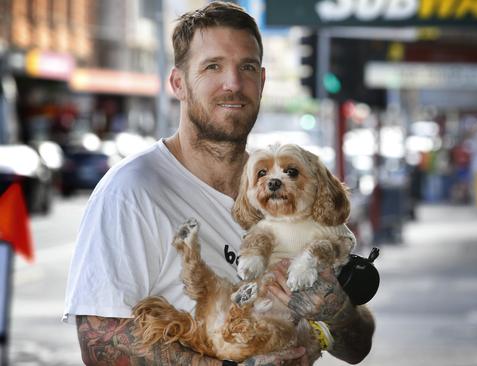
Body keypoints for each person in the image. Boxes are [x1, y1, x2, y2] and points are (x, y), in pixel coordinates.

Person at [62, 2, 375, 365]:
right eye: (213, 67)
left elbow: (358, 346)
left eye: (247, 67)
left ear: (262, 80)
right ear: (178, 83)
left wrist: (338, 312)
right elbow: (100, 346)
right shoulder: (132, 191)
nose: (233, 84)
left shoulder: (288, 187)